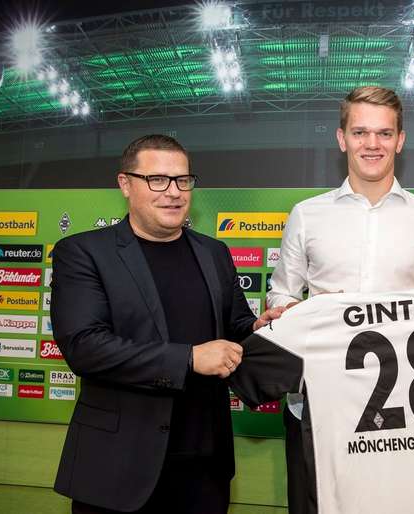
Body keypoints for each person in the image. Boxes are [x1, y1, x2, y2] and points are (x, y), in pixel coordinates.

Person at [51, 134, 280, 514]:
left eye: (182, 180)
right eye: (157, 180)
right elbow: (85, 347)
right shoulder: (83, 252)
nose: (173, 192)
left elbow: (236, 326)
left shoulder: (214, 252)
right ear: (125, 184)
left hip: (204, 466)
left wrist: (262, 328)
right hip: (118, 468)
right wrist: (188, 359)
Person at [267, 86, 414, 514]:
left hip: (405, 418)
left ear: (400, 140)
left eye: (384, 133)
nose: (372, 144)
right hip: (318, 406)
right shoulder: (306, 215)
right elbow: (281, 293)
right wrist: (291, 312)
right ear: (342, 139)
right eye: (360, 132)